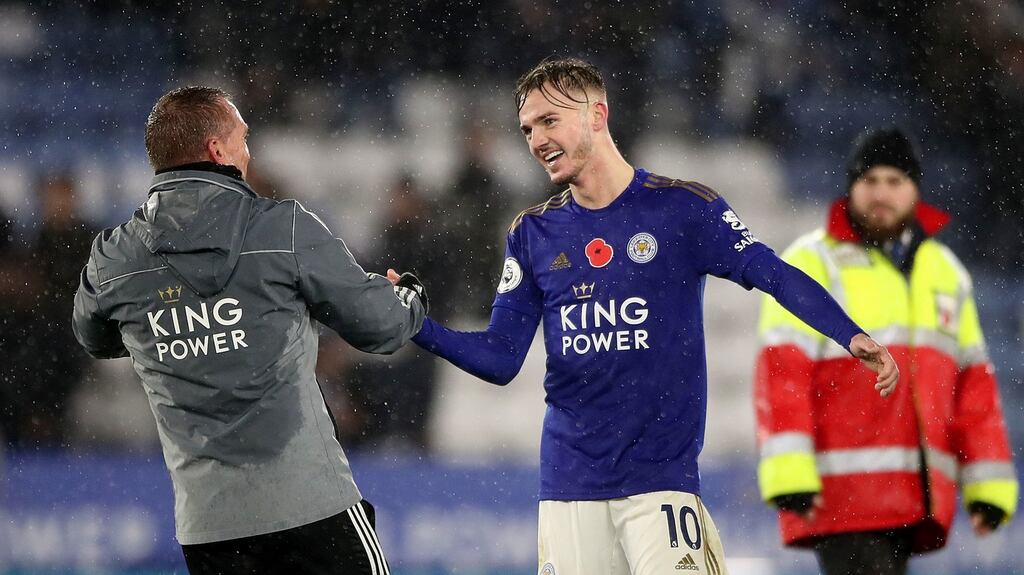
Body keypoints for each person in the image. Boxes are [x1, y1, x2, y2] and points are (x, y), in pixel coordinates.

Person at [397, 57, 899, 575]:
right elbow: (500, 359)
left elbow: (770, 271)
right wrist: (416, 325)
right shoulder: (532, 234)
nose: (536, 139)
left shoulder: (682, 209)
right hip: (568, 492)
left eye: (550, 121)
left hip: (661, 485)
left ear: (597, 115)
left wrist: (849, 333)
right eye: (527, 129)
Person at [71, 86, 427, 574]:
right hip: (312, 504)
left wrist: (164, 325)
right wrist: (409, 296)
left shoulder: (114, 258)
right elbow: (383, 328)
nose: (249, 151)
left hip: (210, 527)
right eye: (243, 138)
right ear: (217, 150)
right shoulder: (284, 229)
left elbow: (94, 338)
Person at [754, 128, 1018, 575]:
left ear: (916, 188)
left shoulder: (945, 273)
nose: (881, 194)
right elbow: (783, 374)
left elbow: (974, 388)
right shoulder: (812, 262)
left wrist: (988, 488)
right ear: (850, 186)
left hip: (914, 500)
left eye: (895, 182)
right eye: (870, 180)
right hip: (841, 499)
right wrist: (789, 473)